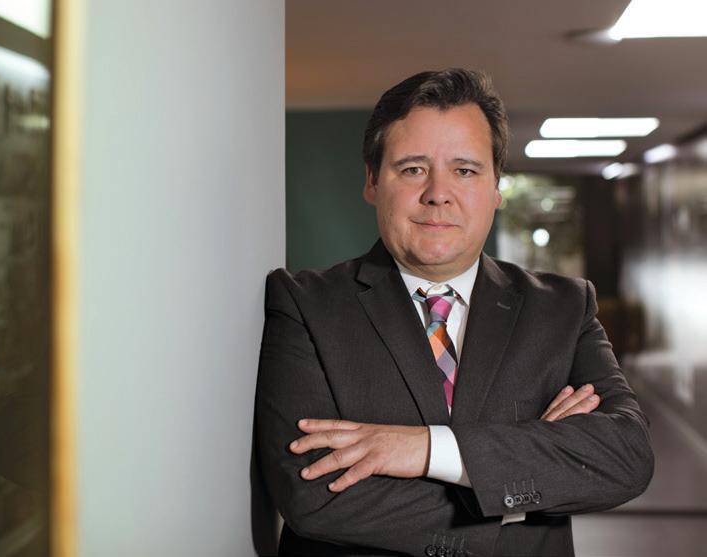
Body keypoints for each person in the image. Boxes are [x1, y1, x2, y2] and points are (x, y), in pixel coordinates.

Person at [253, 68, 653, 557]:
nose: (438, 193)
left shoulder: (564, 308)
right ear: (373, 181)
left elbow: (625, 458)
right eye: (412, 169)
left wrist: (425, 448)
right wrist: (521, 483)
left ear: (496, 187)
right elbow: (313, 495)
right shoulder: (304, 305)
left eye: (464, 170)